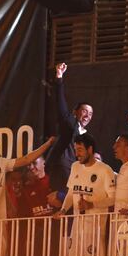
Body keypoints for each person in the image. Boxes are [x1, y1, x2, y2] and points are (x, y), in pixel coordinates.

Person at [54, 133, 115, 256]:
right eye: (76, 150)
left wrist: (91, 204)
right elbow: (71, 192)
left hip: (94, 229)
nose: (77, 154)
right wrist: (63, 210)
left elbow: (113, 199)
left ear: (90, 149)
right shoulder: (75, 166)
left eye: (80, 150)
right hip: (76, 228)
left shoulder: (105, 170)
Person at [46, 62, 93, 207]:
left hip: (76, 174)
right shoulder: (70, 125)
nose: (88, 115)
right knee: (61, 202)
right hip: (62, 169)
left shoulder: (87, 136)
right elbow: (61, 107)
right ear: (75, 112)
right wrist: (59, 78)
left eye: (91, 113)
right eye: (84, 111)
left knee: (73, 204)